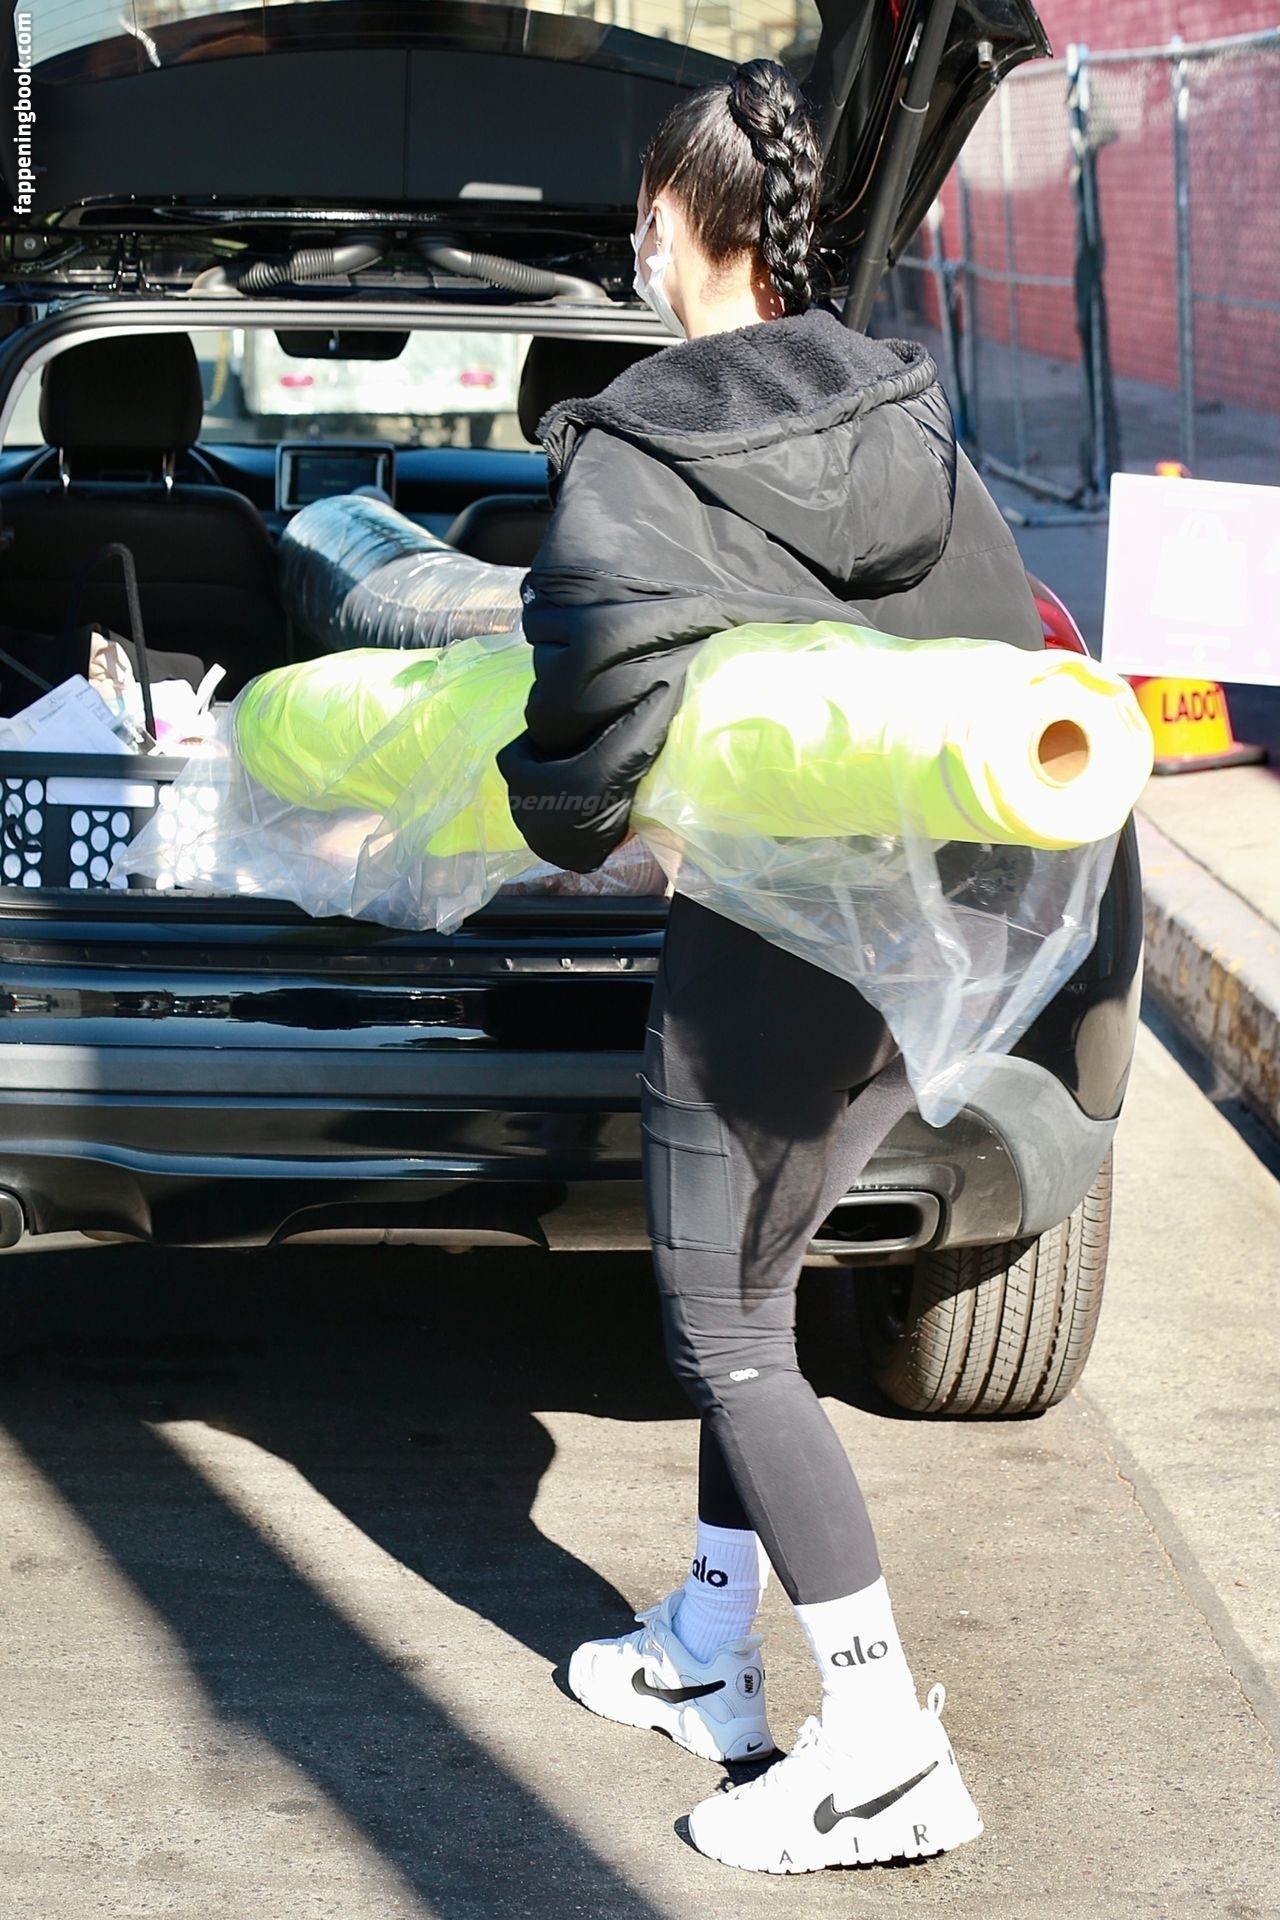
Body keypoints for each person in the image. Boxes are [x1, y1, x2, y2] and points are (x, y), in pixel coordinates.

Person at [496, 57, 1042, 1876]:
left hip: (766, 940)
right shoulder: (900, 405)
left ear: (672, 220)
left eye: (640, 219)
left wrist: (561, 818)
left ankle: (881, 1748)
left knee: (724, 1330)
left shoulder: (641, 452)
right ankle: (708, 1648)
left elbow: (581, 735)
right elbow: (997, 640)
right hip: (937, 925)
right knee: (768, 1285)